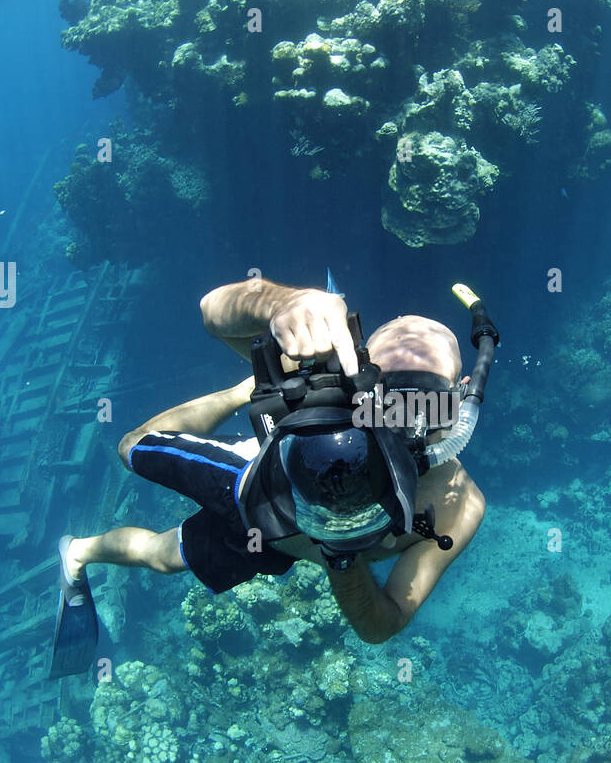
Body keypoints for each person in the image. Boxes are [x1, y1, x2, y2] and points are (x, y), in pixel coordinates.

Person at [49, 276, 495, 677]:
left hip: (277, 544)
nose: (403, 417)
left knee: (163, 559)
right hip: (248, 483)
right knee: (131, 447)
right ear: (358, 375)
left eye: (427, 397)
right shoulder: (329, 384)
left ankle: (78, 554)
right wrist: (282, 304)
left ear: (458, 398)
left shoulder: (460, 506)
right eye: (388, 393)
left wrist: (340, 555)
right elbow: (212, 310)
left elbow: (383, 624)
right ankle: (236, 392)